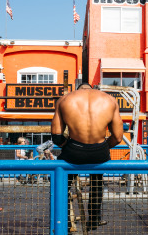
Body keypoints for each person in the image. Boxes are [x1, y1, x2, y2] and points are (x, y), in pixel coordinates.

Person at [52, 83, 124, 231]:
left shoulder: (64, 100)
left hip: (74, 151)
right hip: (100, 151)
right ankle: (94, 219)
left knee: (63, 183)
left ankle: (64, 220)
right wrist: (102, 147)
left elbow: (57, 137)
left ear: (78, 90)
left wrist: (69, 145)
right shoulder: (110, 100)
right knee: (97, 181)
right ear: (93, 89)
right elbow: (117, 138)